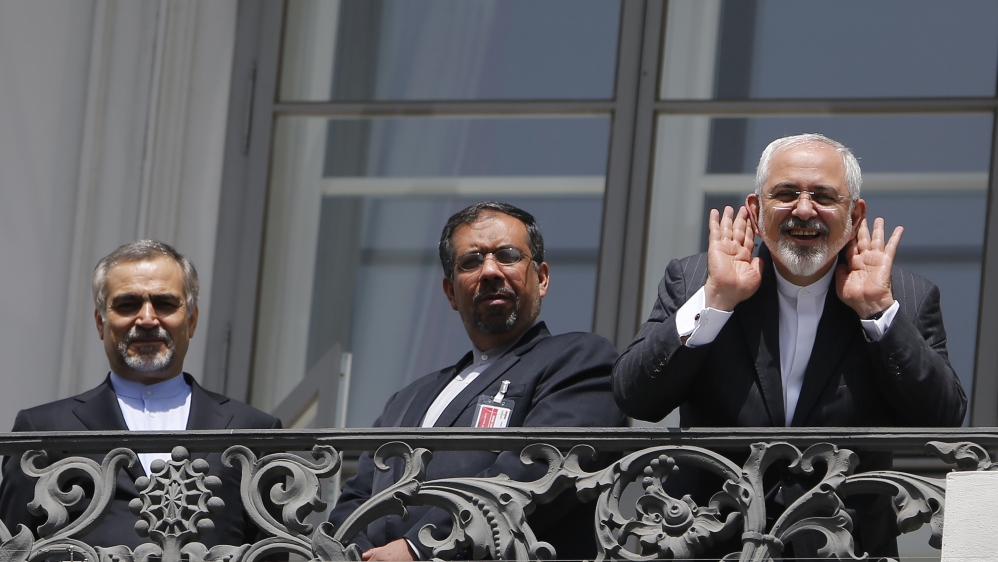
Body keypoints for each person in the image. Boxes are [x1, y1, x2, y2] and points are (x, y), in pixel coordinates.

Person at [612, 133, 967, 557]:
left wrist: (876, 311)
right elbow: (636, 397)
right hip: (709, 540)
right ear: (755, 210)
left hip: (844, 546)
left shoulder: (905, 297)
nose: (803, 209)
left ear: (855, 215)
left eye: (823, 196)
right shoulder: (696, 282)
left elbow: (942, 419)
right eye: (785, 194)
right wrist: (716, 300)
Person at [328, 201, 626, 561]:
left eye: (508, 255)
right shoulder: (407, 400)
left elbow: (539, 470)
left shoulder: (579, 359)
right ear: (451, 293)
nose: (489, 271)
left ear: (542, 278)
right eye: (470, 261)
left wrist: (419, 549)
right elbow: (356, 498)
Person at [0, 240, 281, 549]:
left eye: (165, 303)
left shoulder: (253, 430)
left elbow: (271, 550)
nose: (147, 319)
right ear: (100, 323)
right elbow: (13, 546)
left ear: (191, 321)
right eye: (127, 304)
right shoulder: (44, 429)